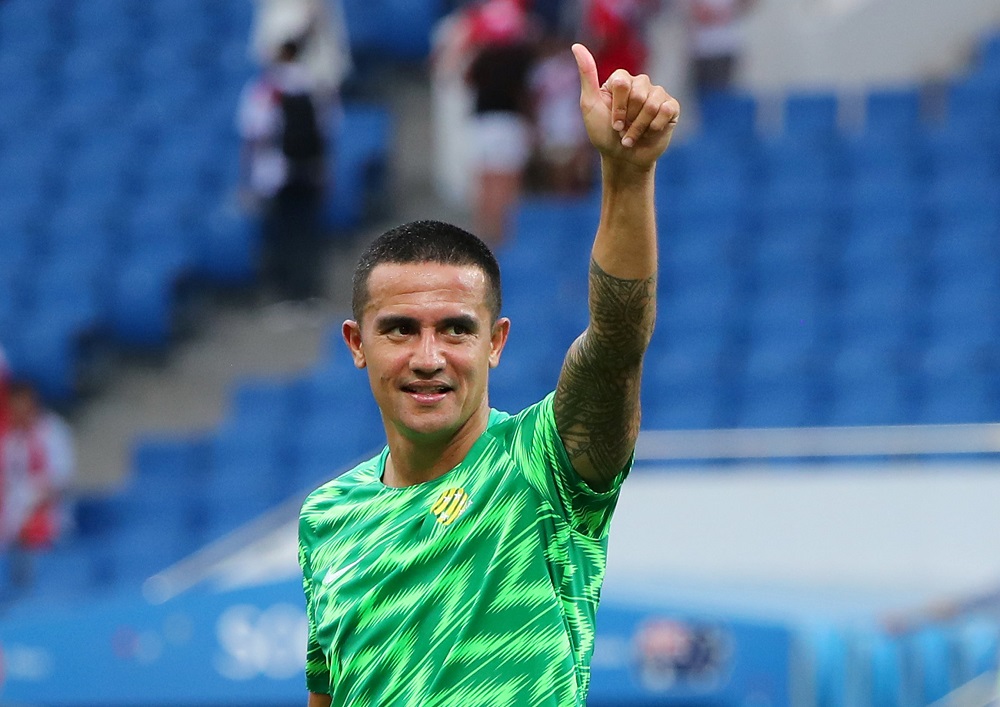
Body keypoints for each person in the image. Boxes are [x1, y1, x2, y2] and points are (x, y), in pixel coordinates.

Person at [298, 42, 678, 705]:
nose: (427, 356)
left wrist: (626, 175)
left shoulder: (543, 464)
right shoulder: (326, 516)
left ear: (495, 341)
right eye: (400, 329)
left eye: (455, 328)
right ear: (357, 343)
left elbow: (618, 343)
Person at [238, 38, 328, 303]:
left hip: (274, 174)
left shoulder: (266, 89)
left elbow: (253, 133)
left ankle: (284, 294)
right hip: (308, 171)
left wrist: (247, 178)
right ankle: (308, 291)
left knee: (280, 235)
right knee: (306, 233)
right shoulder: (314, 85)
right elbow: (328, 130)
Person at [464, 0, 539, 245]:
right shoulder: (521, 56)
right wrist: (533, 124)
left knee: (485, 185)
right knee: (506, 186)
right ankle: (504, 243)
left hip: (482, 123)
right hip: (508, 123)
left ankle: (484, 239)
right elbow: (525, 95)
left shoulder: (483, 55)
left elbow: (468, 80)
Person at [0, 380, 76, 591]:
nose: (18, 412)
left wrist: (28, 499)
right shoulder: (10, 439)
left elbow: (61, 479)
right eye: (13, 407)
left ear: (33, 403)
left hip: (47, 517)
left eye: (23, 405)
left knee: (31, 526)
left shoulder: (53, 431)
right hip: (12, 518)